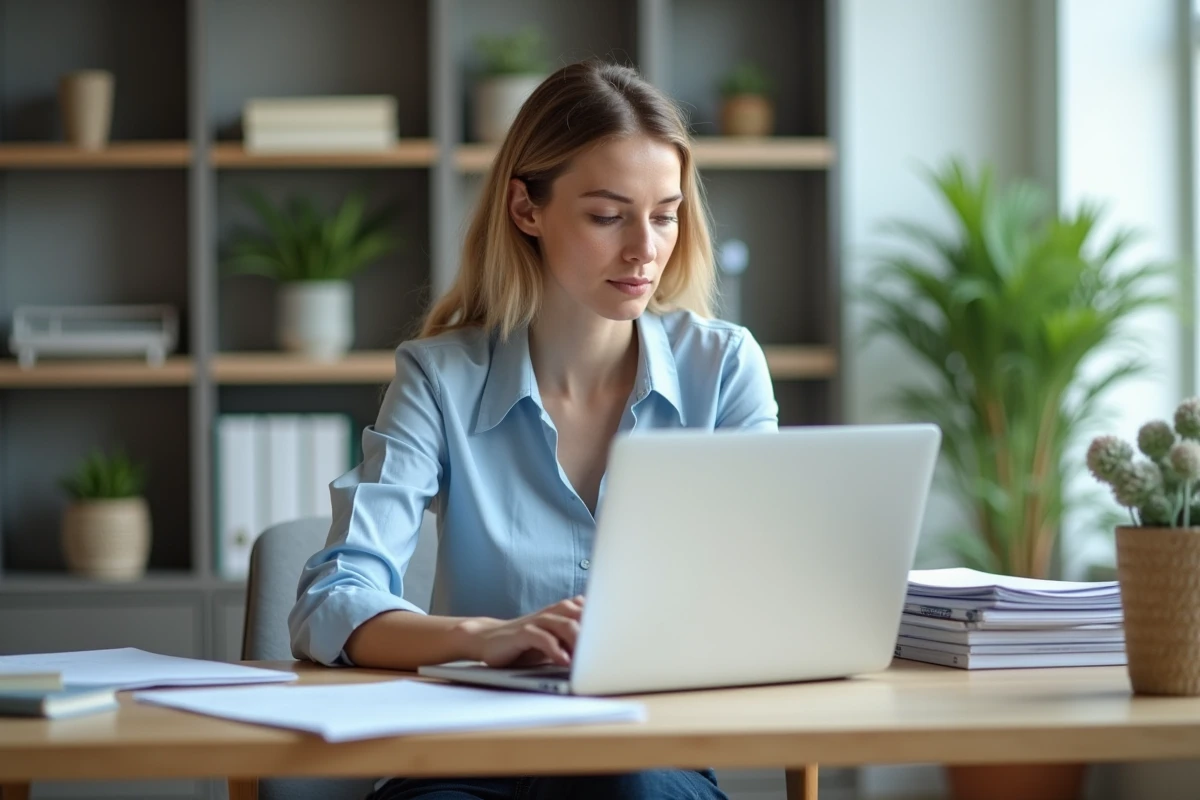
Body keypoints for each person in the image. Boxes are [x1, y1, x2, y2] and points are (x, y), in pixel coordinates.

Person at [289, 59, 778, 800]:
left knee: (627, 788)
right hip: (471, 761)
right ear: (527, 209)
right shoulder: (439, 377)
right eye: (608, 215)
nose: (645, 249)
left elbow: (773, 589)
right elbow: (334, 596)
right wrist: (483, 638)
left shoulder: (725, 368)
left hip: (648, 759)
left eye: (666, 213)